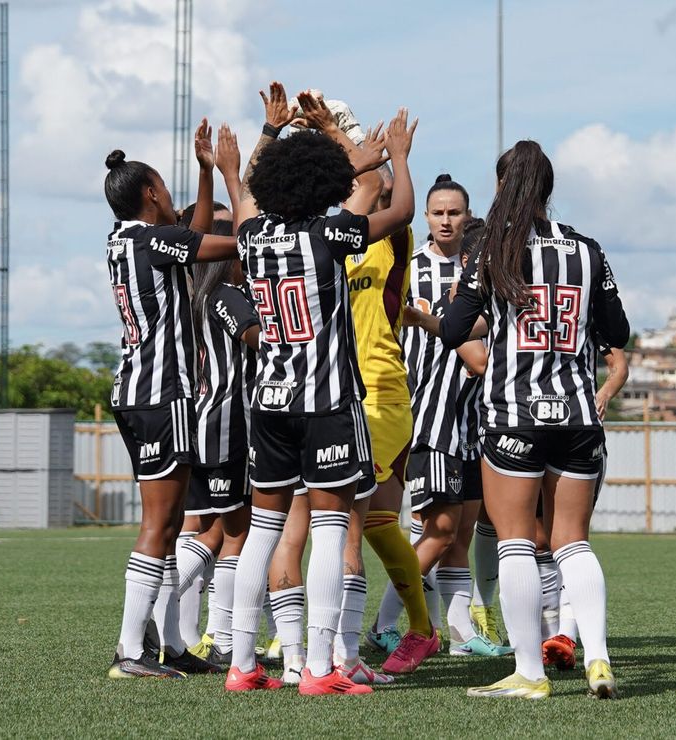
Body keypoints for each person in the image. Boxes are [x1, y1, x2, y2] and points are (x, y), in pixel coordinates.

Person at [412, 139, 629, 700]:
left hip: (514, 411)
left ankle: (529, 673)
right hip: (578, 413)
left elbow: (456, 328)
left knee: (512, 543)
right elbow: (618, 332)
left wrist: (470, 303)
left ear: (502, 188)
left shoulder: (492, 251)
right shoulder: (588, 250)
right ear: (550, 189)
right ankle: (599, 660)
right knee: (573, 542)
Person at [224, 81, 416, 696]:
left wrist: (266, 137)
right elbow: (400, 210)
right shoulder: (329, 235)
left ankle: (243, 664)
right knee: (332, 529)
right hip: (327, 403)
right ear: (320, 187)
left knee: (263, 530)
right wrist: (397, 158)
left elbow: (249, 193)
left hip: (270, 403)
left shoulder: (252, 237)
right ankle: (319, 669)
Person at [102, 148, 241, 679]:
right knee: (161, 525)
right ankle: (130, 652)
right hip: (164, 393)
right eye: (163, 186)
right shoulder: (152, 239)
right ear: (152, 195)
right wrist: (242, 202)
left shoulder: (122, 240)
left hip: (134, 392)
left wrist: (206, 174)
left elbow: (193, 238)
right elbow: (222, 244)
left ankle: (173, 645)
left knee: (170, 522)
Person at [381, 182, 508, 658]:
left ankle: (459, 632)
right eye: (438, 212)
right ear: (427, 217)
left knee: (460, 532)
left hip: (476, 419)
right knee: (431, 527)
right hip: (428, 413)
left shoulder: (484, 268)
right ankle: (388, 623)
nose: (447, 220)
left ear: (467, 214)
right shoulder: (409, 269)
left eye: (455, 212)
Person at [542, 341, 627, 671]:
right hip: (530, 431)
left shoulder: (587, 300)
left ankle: (565, 634)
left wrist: (604, 393)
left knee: (569, 540)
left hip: (575, 432)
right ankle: (550, 635)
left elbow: (618, 365)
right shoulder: (513, 300)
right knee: (537, 541)